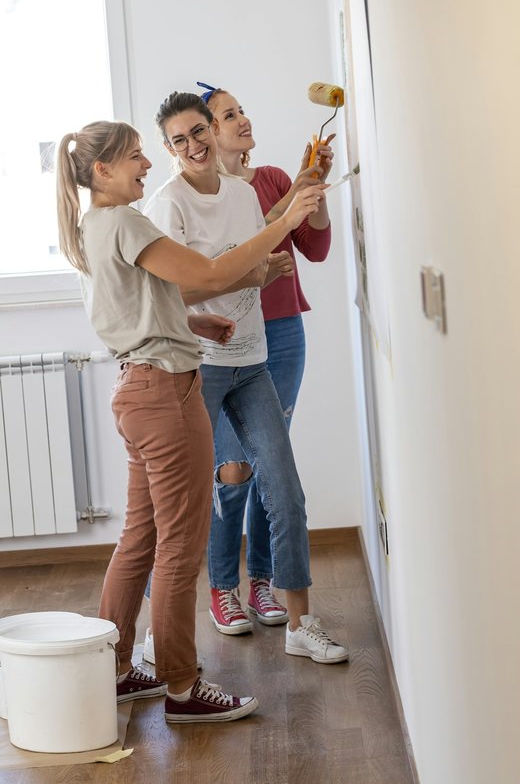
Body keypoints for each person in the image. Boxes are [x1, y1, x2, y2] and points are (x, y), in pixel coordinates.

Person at [55, 120, 325, 724]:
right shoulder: (126, 220)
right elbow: (205, 276)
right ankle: (182, 688)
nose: (147, 166)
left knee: (140, 539)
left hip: (135, 388)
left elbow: (137, 300)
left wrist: (191, 323)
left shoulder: (93, 225)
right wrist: (281, 223)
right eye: (134, 158)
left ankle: (119, 669)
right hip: (166, 395)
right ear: (101, 171)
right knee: (178, 551)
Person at [144, 91, 349, 664]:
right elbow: (180, 287)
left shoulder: (240, 193)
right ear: (169, 149)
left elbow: (284, 240)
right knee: (191, 500)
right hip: (200, 367)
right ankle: (162, 636)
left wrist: (300, 203)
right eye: (179, 140)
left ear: (211, 131)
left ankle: (301, 624)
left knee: (285, 490)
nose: (193, 145)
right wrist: (254, 274)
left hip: (254, 360)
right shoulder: (168, 205)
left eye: (198, 132)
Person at [198, 82, 333, 634]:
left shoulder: (276, 176)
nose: (241, 120)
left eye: (241, 111)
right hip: (230, 341)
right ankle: (222, 587)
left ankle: (263, 581)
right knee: (233, 469)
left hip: (284, 336)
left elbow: (315, 247)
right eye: (228, 115)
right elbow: (246, 245)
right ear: (206, 135)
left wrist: (314, 193)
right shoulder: (205, 195)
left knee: (270, 470)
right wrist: (292, 199)